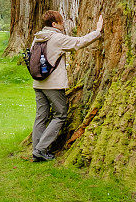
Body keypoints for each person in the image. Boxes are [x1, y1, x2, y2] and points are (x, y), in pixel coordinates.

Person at [29, 9, 103, 162]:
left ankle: (36, 149)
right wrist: (97, 32)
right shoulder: (57, 38)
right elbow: (78, 42)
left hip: (38, 83)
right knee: (60, 114)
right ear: (54, 24)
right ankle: (41, 150)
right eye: (60, 21)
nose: (63, 24)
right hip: (53, 85)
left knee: (41, 117)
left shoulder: (37, 38)